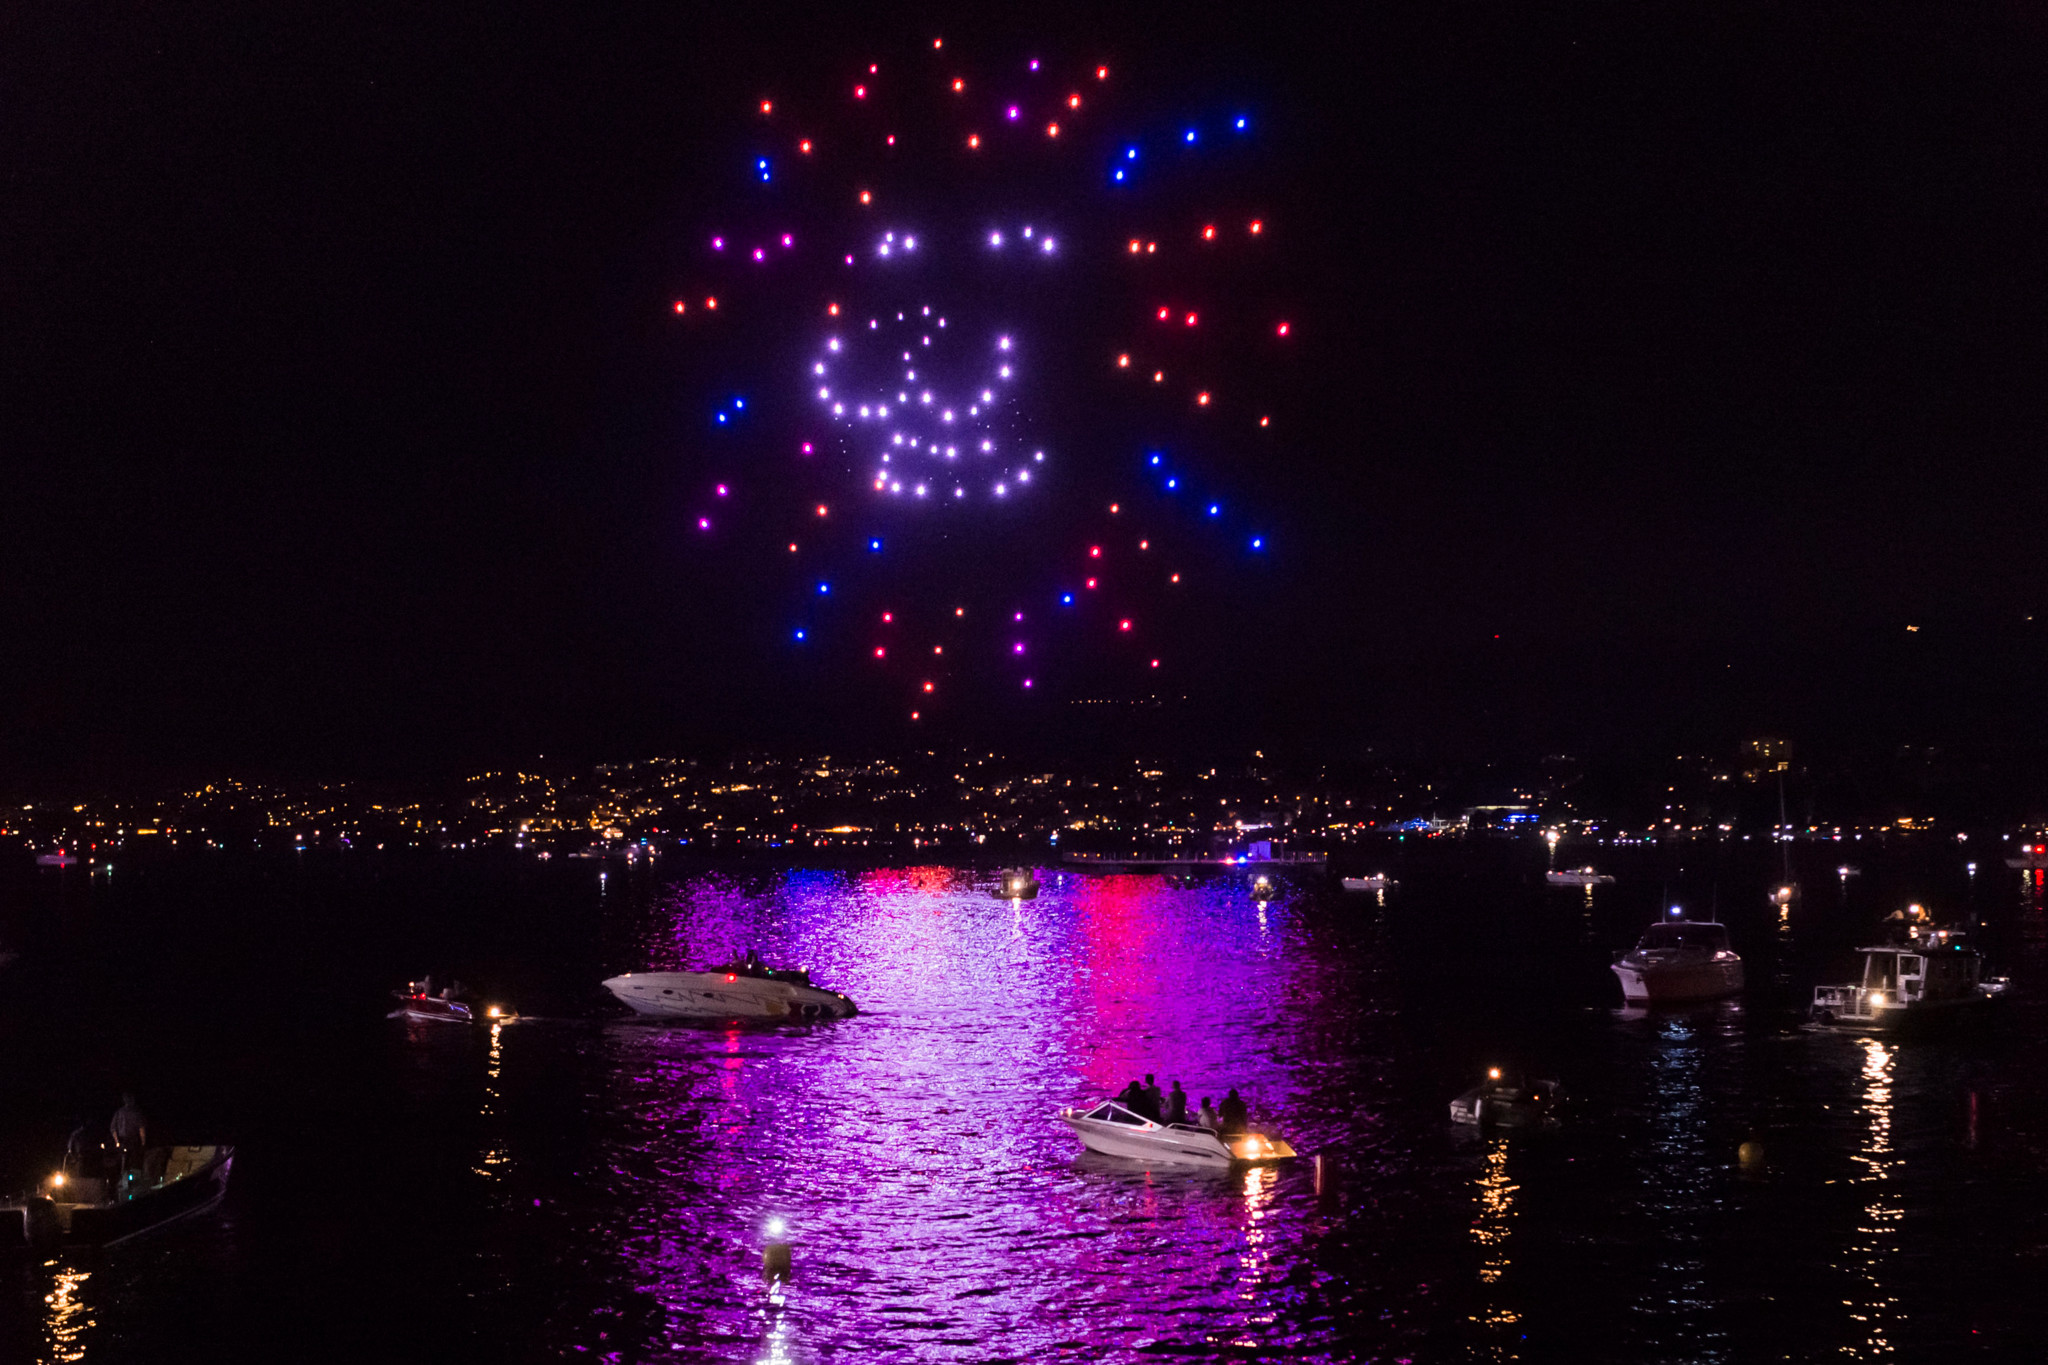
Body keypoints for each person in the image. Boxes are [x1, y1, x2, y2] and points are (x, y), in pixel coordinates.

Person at [110, 1093, 147, 1171]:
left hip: (127, 1141)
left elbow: (113, 1129)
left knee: (126, 1162)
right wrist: (143, 1142)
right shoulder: (135, 1113)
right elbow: (141, 1129)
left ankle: (126, 1176)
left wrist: (117, 1141)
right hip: (130, 1141)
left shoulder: (120, 1112)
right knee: (131, 1162)